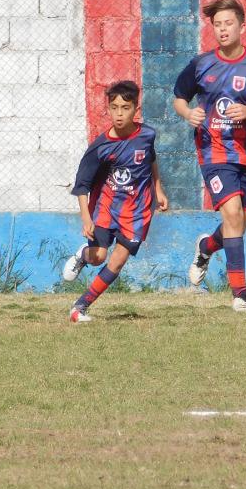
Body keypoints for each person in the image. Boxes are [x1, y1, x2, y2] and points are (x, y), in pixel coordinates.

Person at [174, 0, 246, 312]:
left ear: (242, 26)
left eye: (228, 23)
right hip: (214, 152)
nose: (223, 30)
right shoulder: (201, 64)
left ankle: (206, 247)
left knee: (239, 223)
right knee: (232, 214)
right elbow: (179, 97)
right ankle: (240, 295)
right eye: (217, 25)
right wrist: (188, 113)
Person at [61, 81, 169, 323]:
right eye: (114, 108)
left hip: (138, 211)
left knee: (118, 261)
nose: (119, 114)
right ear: (108, 109)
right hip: (106, 208)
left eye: (125, 108)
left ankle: (80, 307)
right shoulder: (100, 147)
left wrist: (158, 189)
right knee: (99, 257)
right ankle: (84, 255)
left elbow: (150, 160)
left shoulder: (147, 135)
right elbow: (82, 185)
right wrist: (86, 218)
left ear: (136, 109)